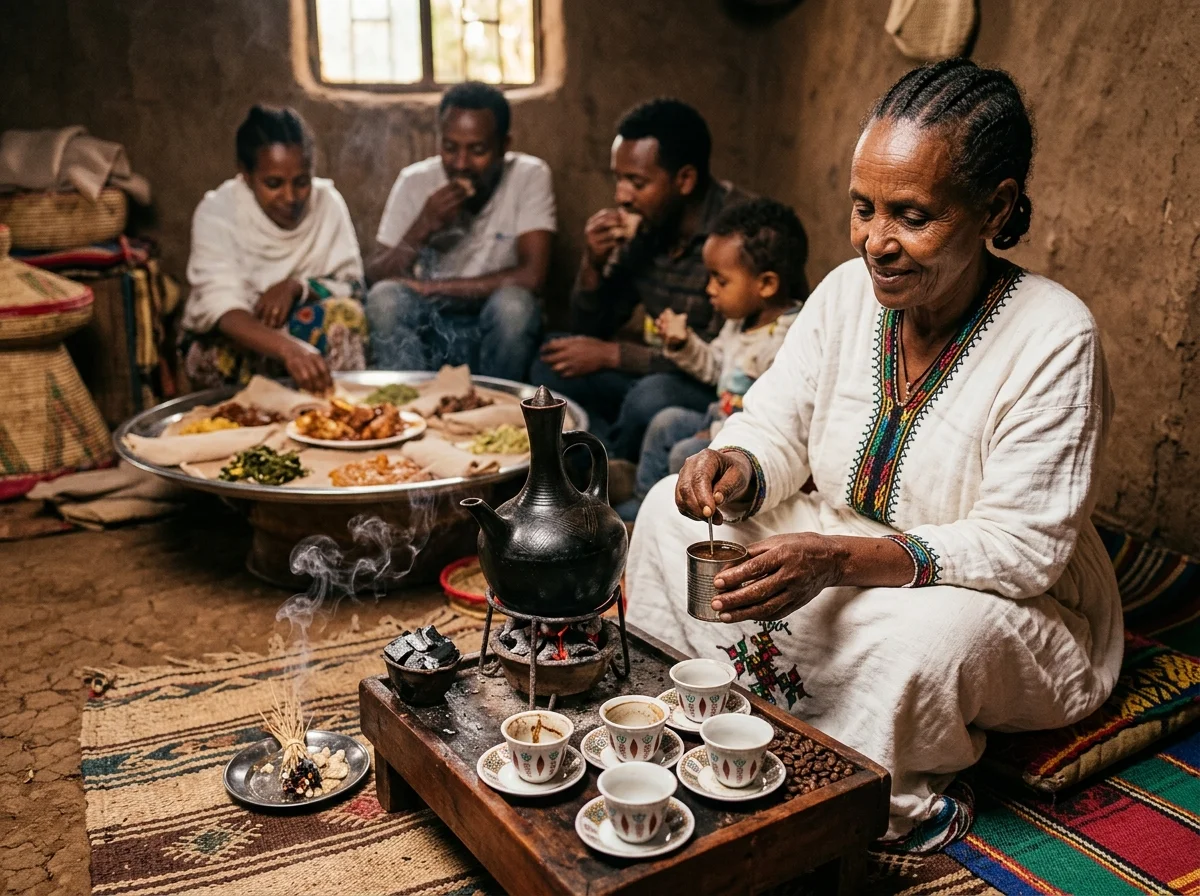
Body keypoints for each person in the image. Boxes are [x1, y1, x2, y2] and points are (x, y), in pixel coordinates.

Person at [626, 60, 1123, 852]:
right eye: (863, 209)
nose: (875, 243)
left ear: (993, 208)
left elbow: (1024, 548)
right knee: (660, 513)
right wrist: (741, 466)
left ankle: (885, 800)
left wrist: (838, 561)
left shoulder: (1055, 337)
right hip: (835, 539)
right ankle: (703, 719)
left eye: (913, 216)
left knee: (924, 647)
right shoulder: (844, 293)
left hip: (989, 596)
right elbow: (777, 422)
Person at [530, 98, 749, 461]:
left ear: (685, 180)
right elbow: (592, 327)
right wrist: (593, 263)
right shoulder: (649, 229)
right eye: (618, 178)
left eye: (636, 182)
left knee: (650, 398)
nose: (621, 196)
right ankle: (607, 456)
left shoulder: (736, 236)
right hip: (655, 368)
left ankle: (606, 467)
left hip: (721, 387)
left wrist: (614, 355)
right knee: (550, 360)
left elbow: (721, 359)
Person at [616, 198, 807, 521]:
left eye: (721, 280)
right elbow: (715, 366)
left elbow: (776, 416)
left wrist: (717, 432)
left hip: (744, 439)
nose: (710, 289)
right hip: (715, 417)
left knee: (682, 453)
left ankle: (689, 515)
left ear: (766, 284)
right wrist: (684, 343)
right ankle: (643, 502)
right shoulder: (739, 322)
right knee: (665, 423)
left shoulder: (790, 336)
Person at [365, 82, 553, 381]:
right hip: (432, 326)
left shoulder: (528, 176)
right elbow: (375, 276)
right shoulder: (415, 181)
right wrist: (422, 226)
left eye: (477, 150)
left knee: (515, 307)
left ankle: (497, 412)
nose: (460, 164)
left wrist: (432, 288)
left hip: (493, 326)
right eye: (450, 148)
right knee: (384, 299)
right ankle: (413, 410)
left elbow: (532, 276)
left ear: (504, 146)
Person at [180, 105, 367, 393]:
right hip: (239, 340)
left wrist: (297, 287)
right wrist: (290, 350)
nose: (290, 197)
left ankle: (336, 418)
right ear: (245, 173)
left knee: (345, 314)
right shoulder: (218, 212)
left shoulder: (327, 203)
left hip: (303, 338)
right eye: (273, 184)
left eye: (302, 182)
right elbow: (221, 308)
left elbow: (352, 285)